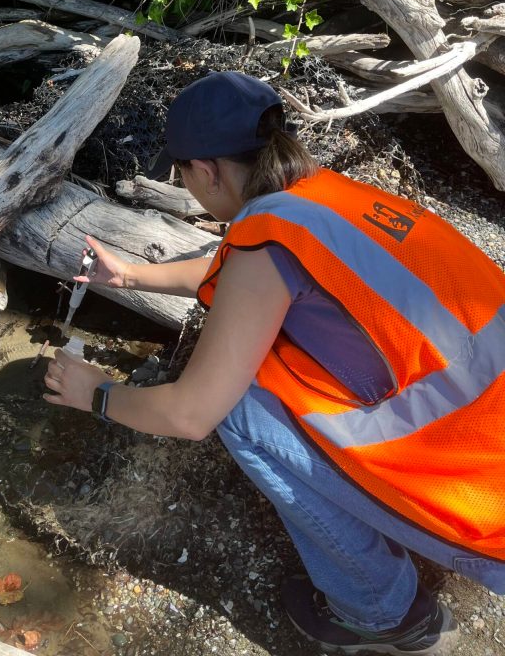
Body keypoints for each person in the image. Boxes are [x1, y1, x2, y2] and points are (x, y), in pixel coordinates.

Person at [43, 70, 505, 655]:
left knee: (238, 407)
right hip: (486, 434)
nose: (187, 187)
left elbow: (191, 415)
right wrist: (130, 274)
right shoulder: (330, 199)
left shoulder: (267, 243)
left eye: (181, 173)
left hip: (486, 506)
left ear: (206, 170)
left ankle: (384, 617)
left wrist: (98, 395)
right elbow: (236, 275)